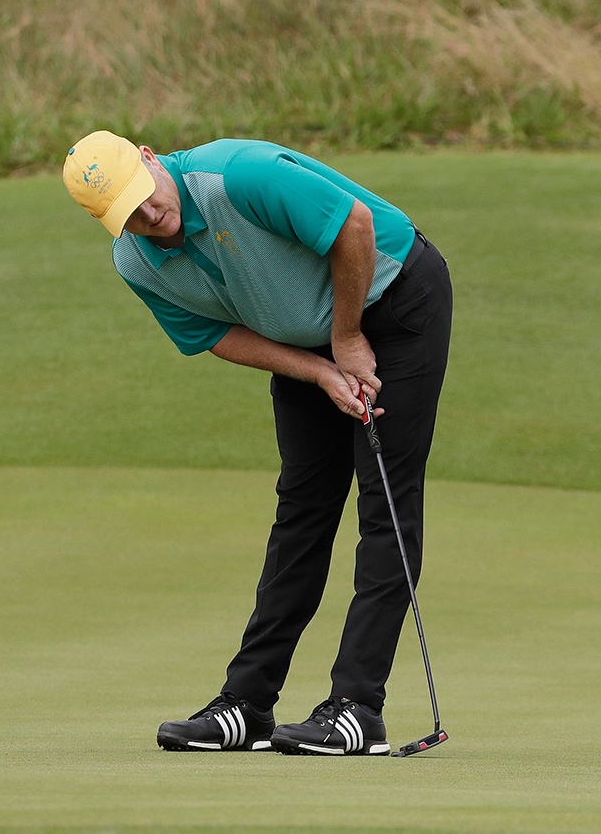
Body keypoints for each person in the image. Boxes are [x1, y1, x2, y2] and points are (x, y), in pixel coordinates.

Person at [63, 130, 452, 756]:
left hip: (391, 298)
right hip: (303, 341)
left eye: (144, 196)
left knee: (385, 503)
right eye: (125, 216)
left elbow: (354, 226)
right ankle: (247, 704)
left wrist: (347, 339)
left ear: (148, 157)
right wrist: (322, 369)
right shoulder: (135, 261)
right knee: (302, 508)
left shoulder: (238, 176)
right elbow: (213, 333)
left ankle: (357, 708)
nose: (148, 217)